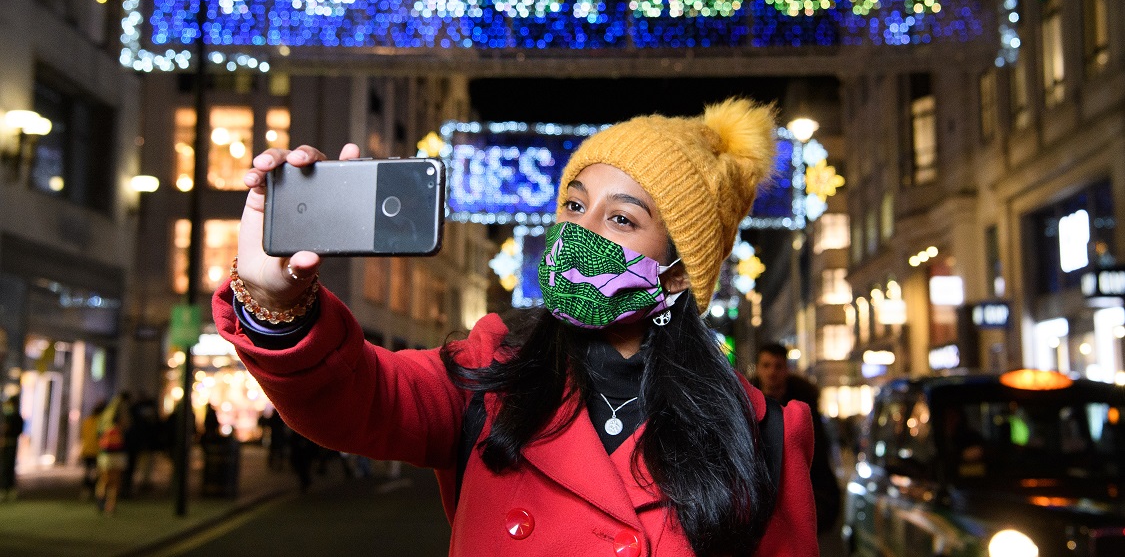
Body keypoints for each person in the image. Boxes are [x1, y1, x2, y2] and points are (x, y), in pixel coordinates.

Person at [213, 98, 818, 555]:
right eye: (575, 206)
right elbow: (359, 396)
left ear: (680, 274)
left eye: (622, 219)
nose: (581, 235)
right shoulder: (491, 370)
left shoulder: (759, 433)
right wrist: (276, 300)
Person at [751, 344, 841, 536]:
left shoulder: (804, 408)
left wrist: (821, 505)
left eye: (778, 366)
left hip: (798, 501)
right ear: (758, 368)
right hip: (758, 506)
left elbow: (818, 459)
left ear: (786, 370)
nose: (772, 372)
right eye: (766, 366)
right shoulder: (746, 406)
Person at [95, 395, 129, 515]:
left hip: (105, 454)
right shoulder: (123, 419)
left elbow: (98, 435)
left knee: (104, 480)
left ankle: (101, 501)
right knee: (115, 482)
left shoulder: (104, 419)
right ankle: (110, 506)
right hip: (118, 453)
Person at [79, 400, 107, 501]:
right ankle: (96, 493)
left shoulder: (86, 421)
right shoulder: (101, 422)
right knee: (97, 473)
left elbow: (82, 435)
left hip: (86, 450)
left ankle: (85, 492)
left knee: (87, 472)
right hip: (97, 451)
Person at [0, 391, 23, 502]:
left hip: (9, 443)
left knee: (7, 467)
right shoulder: (14, 416)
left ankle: (6, 489)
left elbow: (10, 429)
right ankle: (8, 489)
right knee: (8, 467)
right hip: (11, 443)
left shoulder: (13, 416)